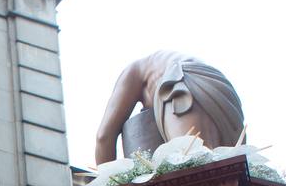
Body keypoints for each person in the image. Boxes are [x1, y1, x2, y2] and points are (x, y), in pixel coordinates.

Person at [94, 50, 245, 164]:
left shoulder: (134, 71)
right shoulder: (156, 65)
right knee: (227, 174)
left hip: (182, 82)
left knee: (191, 163)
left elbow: (104, 136)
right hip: (224, 94)